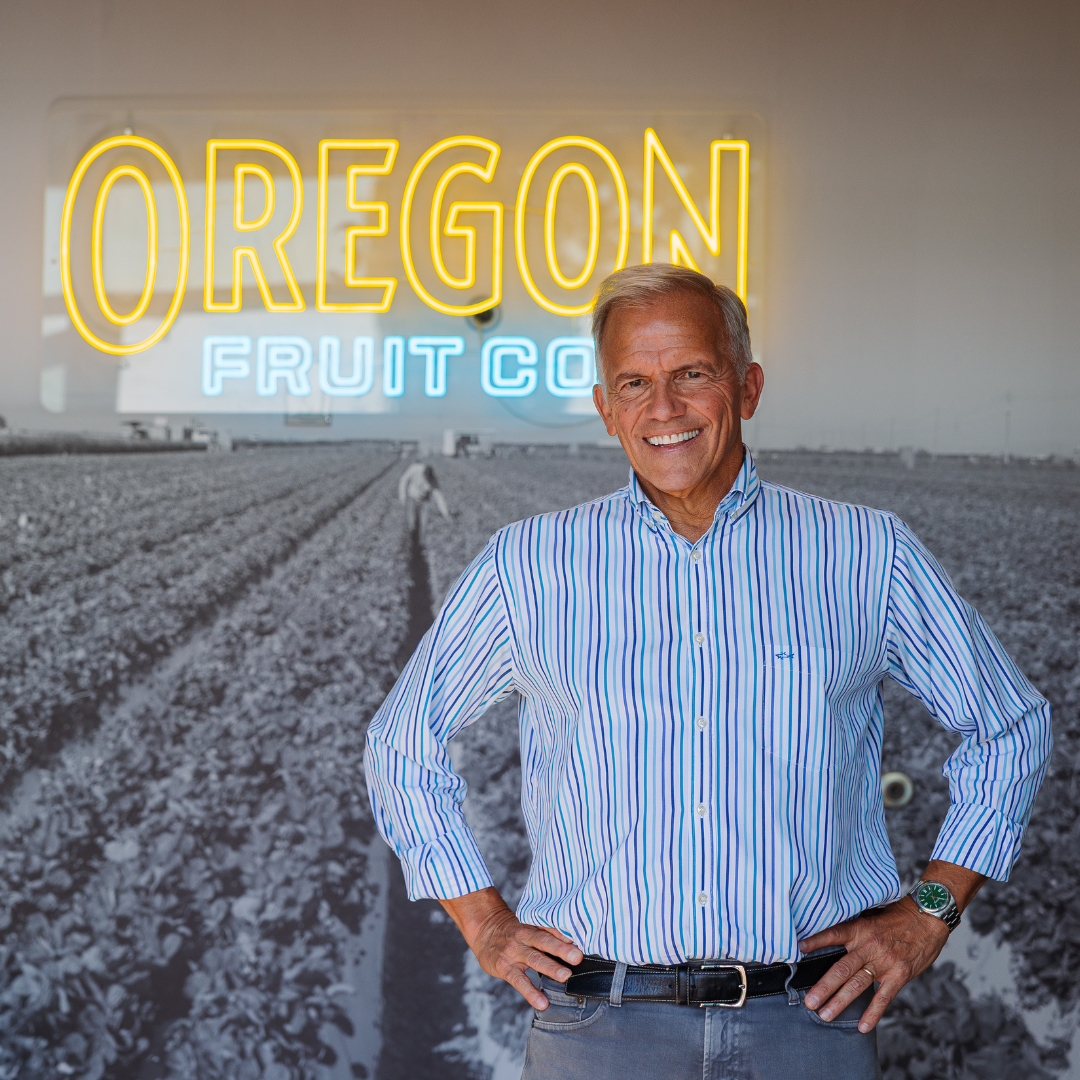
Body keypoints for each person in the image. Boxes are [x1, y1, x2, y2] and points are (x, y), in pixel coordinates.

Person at [365, 264, 1051, 1079]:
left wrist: (932, 910)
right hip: (599, 1030)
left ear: (747, 387)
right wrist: (483, 921)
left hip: (807, 1026)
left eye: (692, 373)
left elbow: (1010, 727)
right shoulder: (530, 565)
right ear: (606, 407)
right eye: (635, 382)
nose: (664, 407)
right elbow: (400, 745)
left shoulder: (866, 553)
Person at [398, 459, 450, 533]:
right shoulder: (415, 468)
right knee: (412, 524)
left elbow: (438, 497)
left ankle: (420, 535)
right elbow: (403, 480)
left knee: (423, 524)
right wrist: (402, 496)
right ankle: (412, 534)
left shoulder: (433, 480)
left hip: (424, 500)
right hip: (412, 497)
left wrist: (445, 513)